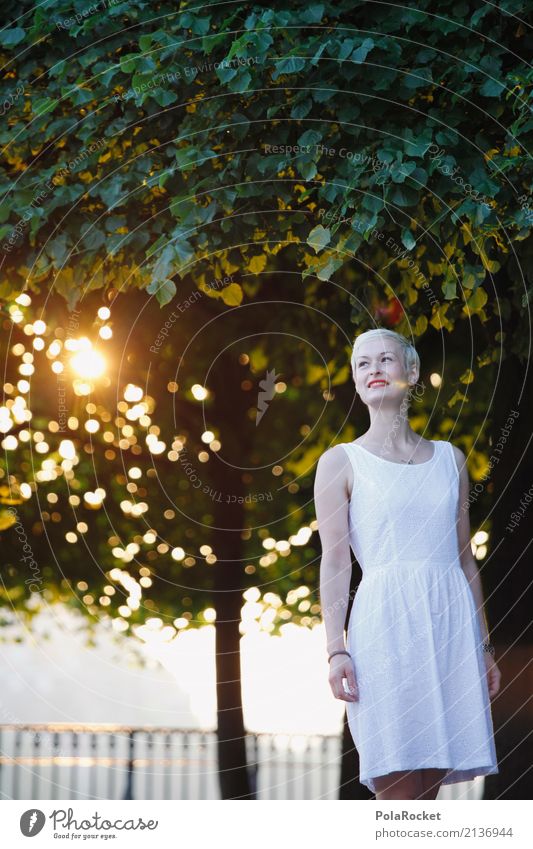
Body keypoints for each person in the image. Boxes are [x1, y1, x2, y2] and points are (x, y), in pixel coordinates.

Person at [314, 328, 501, 801]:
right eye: (362, 363)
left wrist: (483, 646)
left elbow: (464, 559)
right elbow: (336, 562)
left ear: (412, 372)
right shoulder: (340, 462)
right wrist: (336, 649)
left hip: (449, 630)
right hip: (385, 631)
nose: (374, 369)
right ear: (356, 381)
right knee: (396, 792)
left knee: (427, 799)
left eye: (385, 359)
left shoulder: (450, 460)